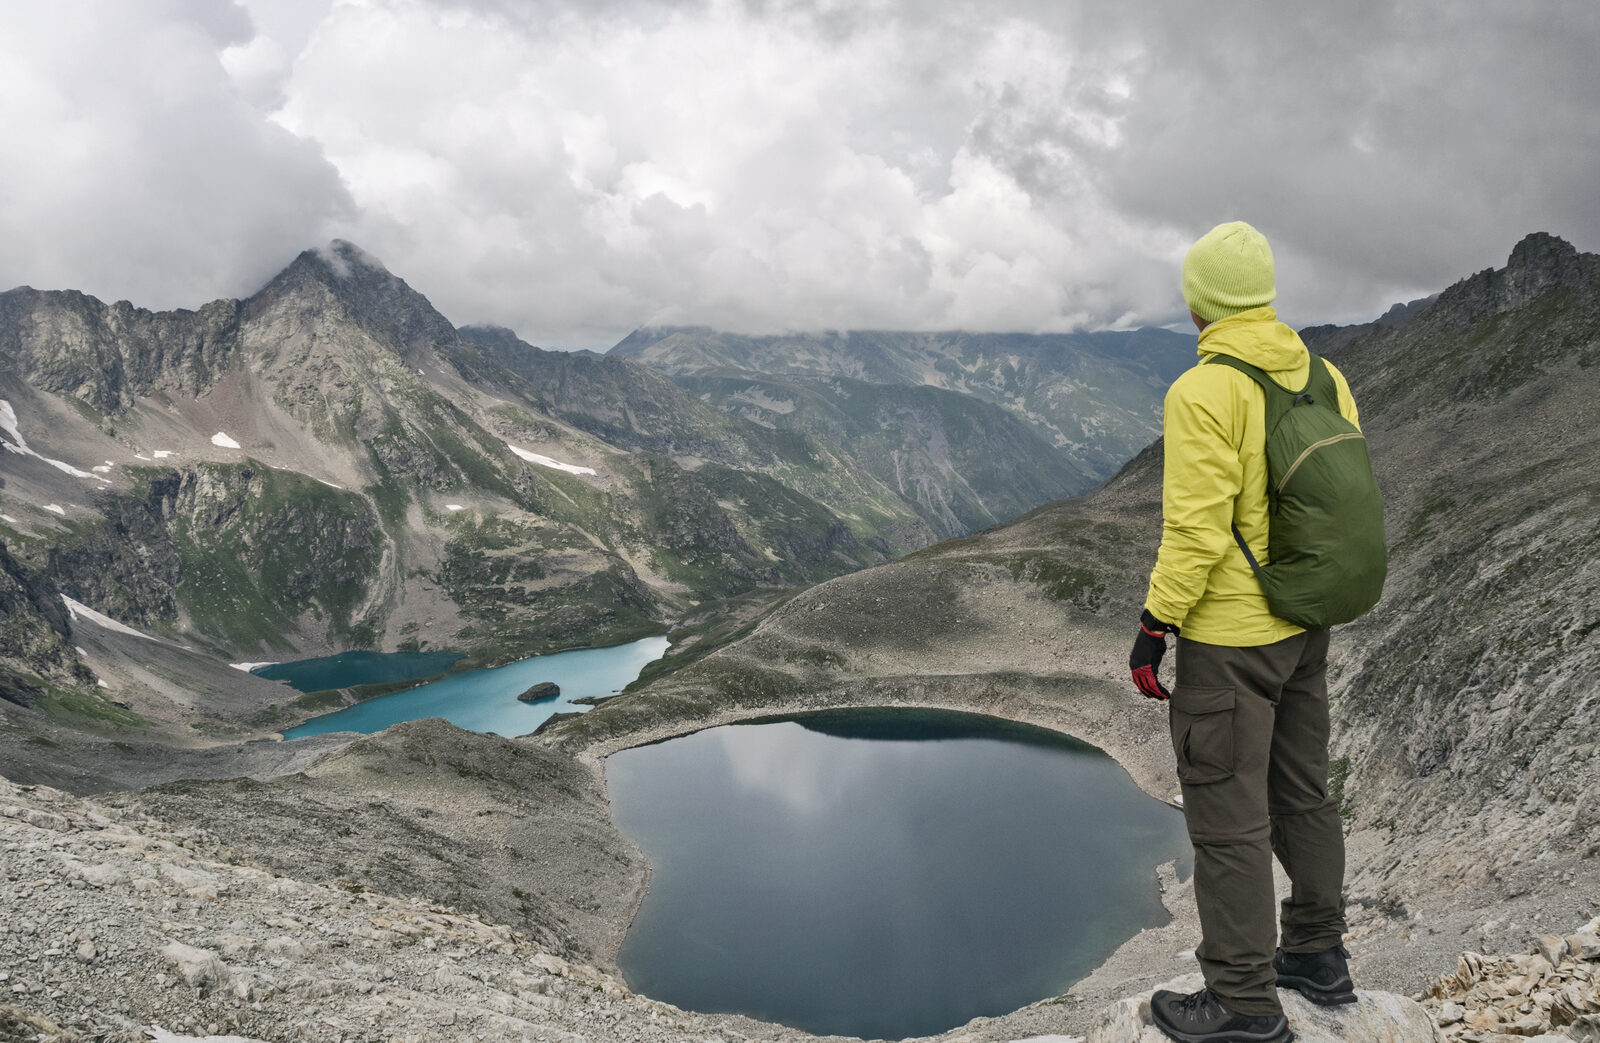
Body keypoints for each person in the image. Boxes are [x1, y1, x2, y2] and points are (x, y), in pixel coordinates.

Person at [1129, 221, 1358, 1043]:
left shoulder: (1204, 391)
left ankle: (1243, 1004)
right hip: (1307, 624)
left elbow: (1194, 532)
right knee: (1302, 791)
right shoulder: (1324, 374)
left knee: (1227, 818)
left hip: (1232, 641)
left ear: (1200, 306)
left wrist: (1156, 625)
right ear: (1263, 292)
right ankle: (1319, 957)